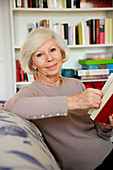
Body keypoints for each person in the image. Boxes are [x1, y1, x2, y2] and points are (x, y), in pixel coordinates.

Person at [3, 28, 113, 170]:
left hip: (107, 149)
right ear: (32, 64)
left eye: (53, 50)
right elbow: (11, 106)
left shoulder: (76, 83)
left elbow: (94, 129)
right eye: (40, 54)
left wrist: (105, 128)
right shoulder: (31, 92)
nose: (50, 58)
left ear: (61, 52)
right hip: (88, 164)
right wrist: (73, 101)